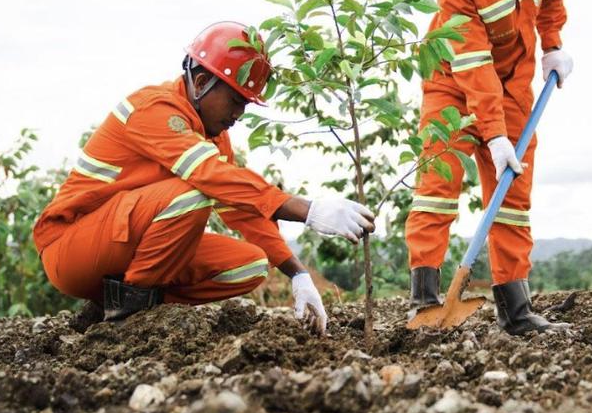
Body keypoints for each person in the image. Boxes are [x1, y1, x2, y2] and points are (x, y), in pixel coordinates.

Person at [33, 22, 374, 332]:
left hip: (121, 254)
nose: (239, 114)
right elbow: (209, 176)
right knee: (193, 192)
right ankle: (125, 322)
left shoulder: (213, 137)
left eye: (247, 104)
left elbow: (240, 209)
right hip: (72, 249)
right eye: (235, 101)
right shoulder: (154, 109)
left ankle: (114, 305)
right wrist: (307, 210)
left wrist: (297, 273)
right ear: (200, 82)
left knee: (251, 264)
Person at [405, 0, 575, 335]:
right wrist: (494, 135)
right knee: (438, 183)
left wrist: (553, 42)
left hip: (514, 82)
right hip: (452, 81)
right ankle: (425, 302)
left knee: (513, 198)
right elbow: (473, 65)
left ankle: (516, 312)